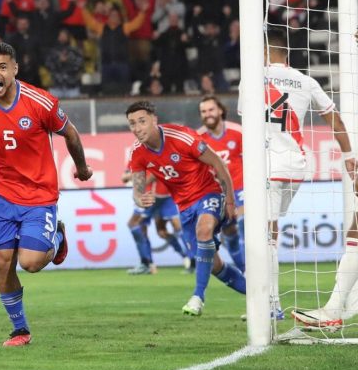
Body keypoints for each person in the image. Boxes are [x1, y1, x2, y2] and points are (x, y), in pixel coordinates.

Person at [0, 42, 93, 347]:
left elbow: (70, 133)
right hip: (1, 195)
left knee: (31, 263)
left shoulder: (40, 102)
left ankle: (57, 236)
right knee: (3, 262)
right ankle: (20, 329)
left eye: (2, 67)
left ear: (15, 69)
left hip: (39, 196)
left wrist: (82, 168)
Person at [239, 31, 355, 318]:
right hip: (296, 166)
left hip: (266, 165)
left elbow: (248, 124)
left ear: (264, 51)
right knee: (272, 229)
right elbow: (336, 121)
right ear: (286, 52)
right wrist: (349, 158)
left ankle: (271, 305)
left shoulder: (252, 78)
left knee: (264, 235)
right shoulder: (306, 80)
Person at [126, 100, 246, 316]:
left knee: (204, 230)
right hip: (184, 207)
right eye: (132, 123)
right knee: (215, 266)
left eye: (142, 121)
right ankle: (265, 300)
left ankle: (198, 296)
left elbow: (218, 163)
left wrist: (230, 201)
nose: (137, 128)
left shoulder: (181, 136)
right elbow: (137, 190)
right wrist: (140, 199)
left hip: (209, 193)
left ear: (154, 120)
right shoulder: (137, 152)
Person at [197, 96, 245, 272]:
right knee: (229, 232)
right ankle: (244, 269)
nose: (207, 114)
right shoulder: (198, 138)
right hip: (219, 193)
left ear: (220, 110)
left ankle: (252, 271)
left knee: (244, 223)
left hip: (242, 187)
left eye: (211, 110)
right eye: (203, 111)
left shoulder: (238, 132)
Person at [122, 170, 191, 275]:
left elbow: (154, 174)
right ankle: (148, 263)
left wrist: (136, 179)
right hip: (151, 195)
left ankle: (190, 258)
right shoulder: (136, 161)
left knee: (168, 229)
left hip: (163, 196)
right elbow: (124, 178)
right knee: (147, 229)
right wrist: (133, 177)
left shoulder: (152, 160)